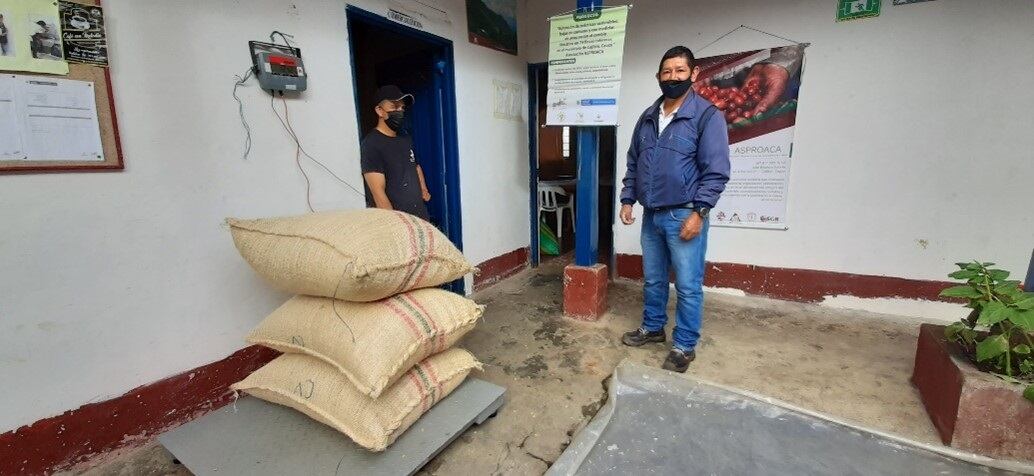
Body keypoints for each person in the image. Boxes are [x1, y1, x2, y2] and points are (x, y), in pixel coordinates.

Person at [618, 46, 731, 373]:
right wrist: (628, 199)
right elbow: (634, 161)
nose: (673, 77)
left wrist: (699, 212)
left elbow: (716, 171)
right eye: (666, 72)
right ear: (658, 77)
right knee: (653, 280)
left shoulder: (707, 116)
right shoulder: (648, 116)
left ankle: (684, 345)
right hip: (651, 214)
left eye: (680, 71)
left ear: (694, 74)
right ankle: (653, 328)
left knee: (687, 284)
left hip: (685, 213)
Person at [361, 85, 431, 221]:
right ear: (380, 111)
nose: (400, 111)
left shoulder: (404, 139)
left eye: (402, 108)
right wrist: (395, 225)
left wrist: (423, 189)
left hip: (420, 217)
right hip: (400, 223)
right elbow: (378, 193)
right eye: (394, 107)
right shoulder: (372, 144)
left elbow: (415, 166)